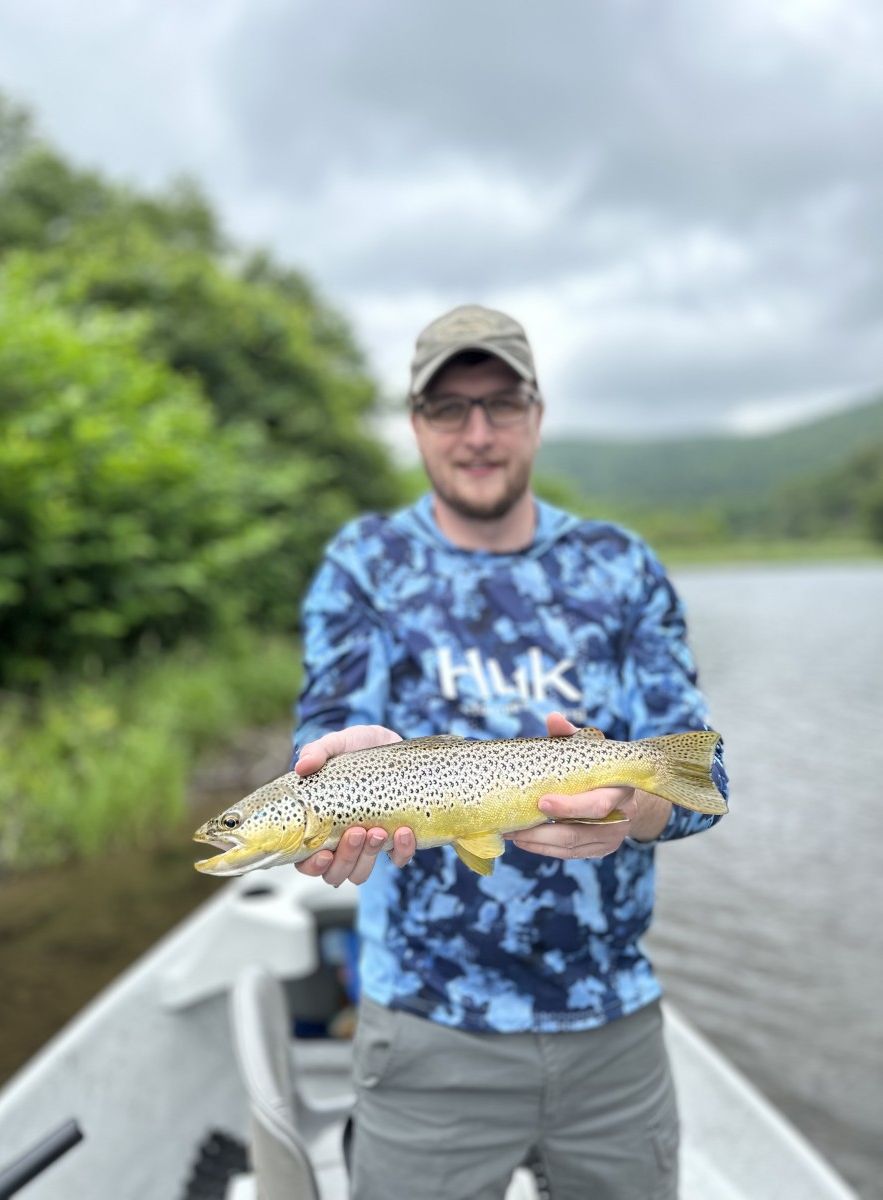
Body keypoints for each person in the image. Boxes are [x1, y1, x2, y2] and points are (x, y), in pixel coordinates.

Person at [290, 304, 728, 1200]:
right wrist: (332, 778)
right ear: (416, 422)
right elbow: (328, 722)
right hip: (425, 1029)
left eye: (501, 403)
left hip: (612, 1025)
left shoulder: (621, 566)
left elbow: (704, 774)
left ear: (536, 411)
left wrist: (635, 809)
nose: (477, 433)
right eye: (449, 408)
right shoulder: (363, 565)